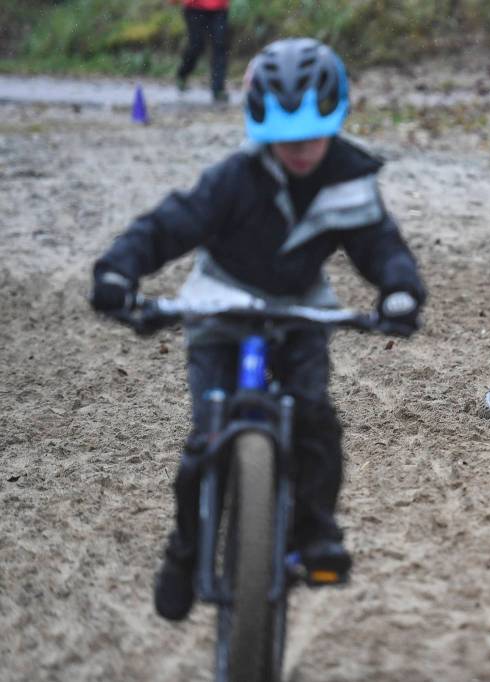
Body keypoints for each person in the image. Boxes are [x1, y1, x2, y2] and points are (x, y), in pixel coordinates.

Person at [89, 38, 427, 621]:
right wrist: (120, 270)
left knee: (316, 419)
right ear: (261, 129)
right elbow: (167, 225)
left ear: (336, 120)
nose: (299, 150)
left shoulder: (349, 178)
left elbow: (380, 244)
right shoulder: (232, 178)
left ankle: (316, 532)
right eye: (285, 139)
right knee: (203, 443)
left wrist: (398, 290)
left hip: (300, 310)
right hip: (220, 309)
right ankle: (185, 549)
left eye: (312, 136)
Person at [172, 0, 231, 103]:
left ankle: (218, 88)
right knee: (196, 45)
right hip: (194, 7)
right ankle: (183, 74)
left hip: (219, 8)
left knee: (220, 46)